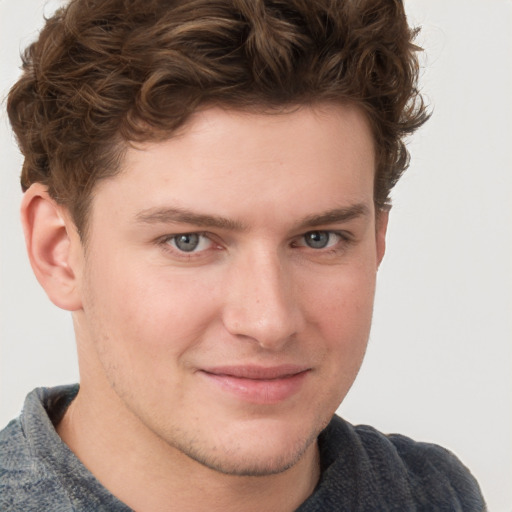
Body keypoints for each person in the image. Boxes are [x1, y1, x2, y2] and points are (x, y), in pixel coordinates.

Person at [0, 0, 486, 510]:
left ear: (377, 240)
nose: (269, 321)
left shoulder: (434, 495)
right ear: (57, 250)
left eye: (320, 237)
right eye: (189, 240)